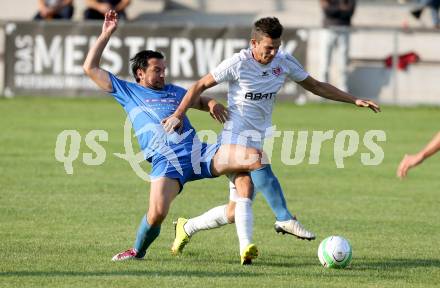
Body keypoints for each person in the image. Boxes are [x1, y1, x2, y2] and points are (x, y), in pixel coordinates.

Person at [163, 16, 380, 256]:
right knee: (257, 158)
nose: (273, 53)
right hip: (232, 138)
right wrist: (179, 114)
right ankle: (284, 218)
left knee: (237, 209)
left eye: (276, 47)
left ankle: (188, 227)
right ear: (253, 43)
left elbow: (316, 86)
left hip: (256, 137)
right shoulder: (238, 63)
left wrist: (353, 99)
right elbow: (199, 85)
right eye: (268, 48)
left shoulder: (284, 61)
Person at [83, 10, 265, 265]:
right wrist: (106, 34)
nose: (162, 75)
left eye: (164, 70)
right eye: (156, 70)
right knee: (156, 215)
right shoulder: (128, 91)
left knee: (249, 161)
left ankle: (264, 229)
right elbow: (90, 68)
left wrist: (212, 103)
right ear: (140, 74)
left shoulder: (174, 91)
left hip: (199, 153)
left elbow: (200, 99)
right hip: (167, 162)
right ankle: (138, 251)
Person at [319, 0, 356, 92]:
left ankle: (343, 89)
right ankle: (322, 89)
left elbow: (349, 12)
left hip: (344, 29)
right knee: (325, 61)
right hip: (328, 29)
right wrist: (341, 8)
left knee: (343, 62)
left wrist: (335, 8)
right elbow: (328, 11)